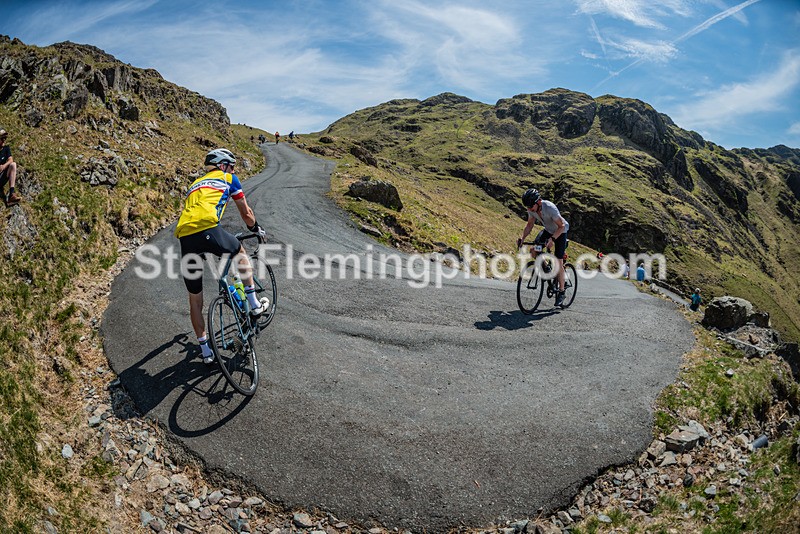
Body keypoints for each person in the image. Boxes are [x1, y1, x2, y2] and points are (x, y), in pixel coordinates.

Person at [175, 148, 269, 364]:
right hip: (208, 230)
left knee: (195, 300)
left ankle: (206, 352)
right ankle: (254, 304)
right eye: (231, 166)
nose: (234, 170)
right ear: (222, 165)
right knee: (240, 252)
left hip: (186, 239)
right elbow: (246, 213)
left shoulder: (194, 184)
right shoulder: (228, 178)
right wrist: (255, 228)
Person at [517, 188, 570, 307]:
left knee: (558, 261)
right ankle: (548, 269)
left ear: (538, 202)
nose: (529, 209)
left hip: (560, 231)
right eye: (527, 207)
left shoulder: (549, 207)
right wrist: (522, 238)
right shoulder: (532, 209)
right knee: (534, 250)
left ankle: (562, 291)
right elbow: (530, 224)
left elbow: (561, 226)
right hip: (548, 230)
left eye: (531, 206)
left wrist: (553, 239)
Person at [0, 129, 20, 206]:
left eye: (5, 138)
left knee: (13, 165)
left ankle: (11, 194)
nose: (4, 140)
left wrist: (4, 166)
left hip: (2, 177)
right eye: (2, 138)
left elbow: (10, 159)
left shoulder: (6, 148)